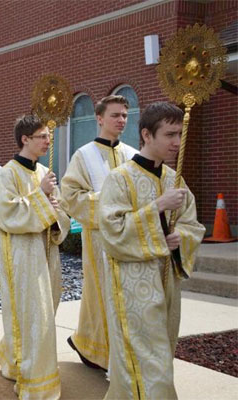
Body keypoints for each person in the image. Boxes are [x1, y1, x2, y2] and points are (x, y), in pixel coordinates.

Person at [99, 102, 205, 399]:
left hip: (167, 282)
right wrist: (157, 207)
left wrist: (179, 238)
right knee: (147, 361)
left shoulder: (175, 179)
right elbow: (112, 231)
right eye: (170, 134)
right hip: (132, 285)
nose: (177, 142)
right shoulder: (120, 178)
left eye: (180, 134)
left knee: (159, 356)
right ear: (146, 134)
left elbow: (192, 225)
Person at [0, 115, 70, 399]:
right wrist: (41, 196)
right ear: (25, 139)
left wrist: (55, 209)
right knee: (33, 315)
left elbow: (58, 216)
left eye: (48, 136)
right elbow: (6, 214)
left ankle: (16, 359)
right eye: (43, 136)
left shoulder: (43, 172)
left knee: (45, 314)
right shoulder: (8, 174)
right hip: (22, 258)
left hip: (47, 254)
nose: (48, 141)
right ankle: (35, 382)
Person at [59, 95, 138, 371]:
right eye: (115, 115)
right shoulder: (84, 155)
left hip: (129, 237)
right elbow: (70, 197)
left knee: (126, 296)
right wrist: (109, 203)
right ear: (100, 118)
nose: (121, 121)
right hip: (99, 238)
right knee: (101, 294)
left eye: (125, 116)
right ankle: (97, 350)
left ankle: (103, 348)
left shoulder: (132, 155)